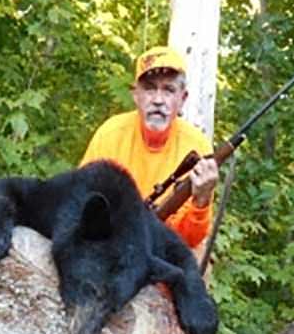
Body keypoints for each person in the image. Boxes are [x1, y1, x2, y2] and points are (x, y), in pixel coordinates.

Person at [81, 46, 218, 249]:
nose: (158, 100)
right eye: (150, 88)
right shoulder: (110, 135)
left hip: (167, 250)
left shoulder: (196, 145)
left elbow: (191, 239)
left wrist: (202, 200)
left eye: (169, 90)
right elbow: (79, 202)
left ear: (182, 99)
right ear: (135, 95)